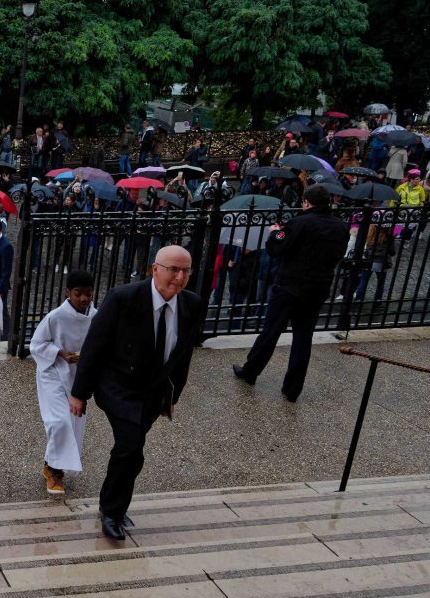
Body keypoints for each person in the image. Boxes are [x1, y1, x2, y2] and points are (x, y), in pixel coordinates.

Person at [70, 246, 205, 540]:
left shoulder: (192, 304)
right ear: (155, 269)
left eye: (186, 271)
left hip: (153, 393)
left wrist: (173, 395)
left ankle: (110, 503)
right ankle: (113, 512)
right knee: (131, 446)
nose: (179, 278)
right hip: (118, 387)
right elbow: (95, 346)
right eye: (173, 270)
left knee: (132, 452)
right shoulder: (124, 298)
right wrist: (80, 393)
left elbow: (183, 354)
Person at [233, 185, 351, 401]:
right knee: (303, 338)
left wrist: (275, 232)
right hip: (318, 287)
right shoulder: (340, 227)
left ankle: (251, 371)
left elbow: (276, 248)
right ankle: (293, 387)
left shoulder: (300, 222)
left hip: (290, 285)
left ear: (307, 202)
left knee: (271, 331)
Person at [30, 270, 96, 498]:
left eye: (88, 294)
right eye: (78, 294)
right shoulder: (55, 317)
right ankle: (53, 469)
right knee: (58, 422)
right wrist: (59, 352)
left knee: (73, 423)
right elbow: (37, 345)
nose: (83, 299)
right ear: (68, 292)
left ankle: (52, 464)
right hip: (53, 373)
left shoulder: (96, 316)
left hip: (78, 376)